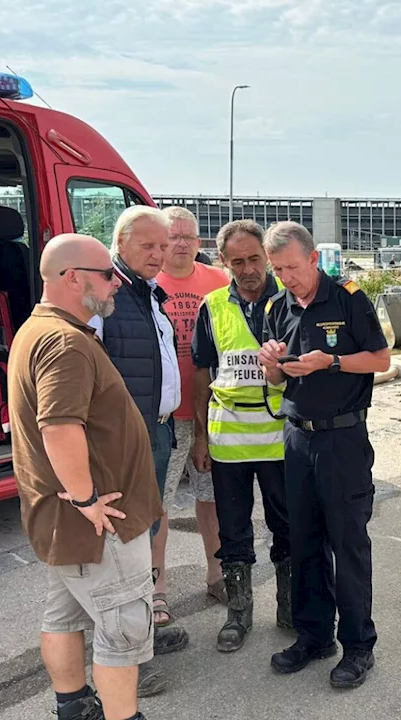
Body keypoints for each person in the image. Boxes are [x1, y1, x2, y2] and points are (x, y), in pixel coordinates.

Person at [6, 233, 158, 720]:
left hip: (65, 517)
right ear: (73, 278)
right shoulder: (63, 341)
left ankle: (73, 707)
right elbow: (59, 427)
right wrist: (87, 499)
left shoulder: (41, 328)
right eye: (106, 274)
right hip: (98, 522)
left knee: (64, 614)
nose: (116, 283)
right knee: (124, 627)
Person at [257, 221, 390, 689]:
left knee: (347, 543)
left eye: (292, 267)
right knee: (304, 541)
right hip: (297, 438)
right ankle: (314, 636)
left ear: (313, 259)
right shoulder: (277, 307)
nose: (285, 276)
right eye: (278, 269)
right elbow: (277, 383)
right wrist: (271, 365)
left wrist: (330, 361)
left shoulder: (349, 297)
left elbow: (380, 359)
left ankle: (358, 646)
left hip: (342, 441)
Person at [89, 205, 189, 696]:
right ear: (120, 242)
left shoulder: (147, 293)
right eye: (148, 245)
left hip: (156, 432)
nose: (160, 253)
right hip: (125, 442)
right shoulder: (106, 295)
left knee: (141, 538)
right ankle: (123, 660)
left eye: (164, 244)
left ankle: (138, 639)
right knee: (122, 549)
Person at [189, 219, 294, 653]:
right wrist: (199, 436)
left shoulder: (291, 303)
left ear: (266, 257)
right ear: (223, 262)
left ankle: (289, 607)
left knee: (287, 527)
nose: (249, 268)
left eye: (255, 258)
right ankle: (239, 615)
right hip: (228, 441)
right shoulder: (212, 306)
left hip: (279, 439)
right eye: (238, 261)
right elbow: (200, 372)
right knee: (233, 532)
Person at [153, 206, 231, 607]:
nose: (181, 243)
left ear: (199, 243)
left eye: (189, 236)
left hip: (210, 413)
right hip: (165, 417)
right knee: (158, 506)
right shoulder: (146, 282)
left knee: (211, 497)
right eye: (173, 235)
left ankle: (217, 574)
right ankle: (158, 589)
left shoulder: (218, 282)